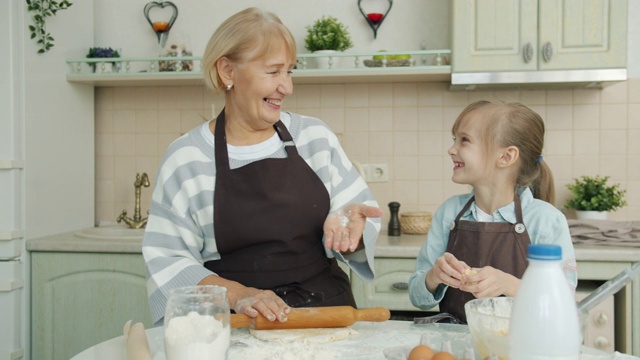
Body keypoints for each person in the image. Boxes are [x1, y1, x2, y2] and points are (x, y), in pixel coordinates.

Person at [142, 7, 383, 326]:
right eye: (273, 72)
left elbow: (356, 211)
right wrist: (237, 294)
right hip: (233, 323)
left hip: (323, 314)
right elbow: (168, 261)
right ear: (227, 71)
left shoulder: (315, 138)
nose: (287, 87)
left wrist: (351, 228)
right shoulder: (186, 158)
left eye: (289, 71)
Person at [408, 100, 577, 323]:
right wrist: (433, 277)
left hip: (520, 345)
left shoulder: (546, 221)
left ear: (505, 157)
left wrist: (508, 284)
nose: (451, 150)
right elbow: (417, 297)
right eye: (454, 140)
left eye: (464, 140)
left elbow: (563, 301)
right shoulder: (449, 212)